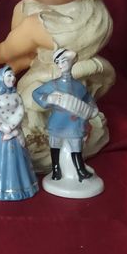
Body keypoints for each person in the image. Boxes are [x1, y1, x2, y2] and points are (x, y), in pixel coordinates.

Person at [32, 49, 98, 182]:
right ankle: (56, 169)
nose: (61, 65)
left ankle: (80, 170)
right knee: (55, 144)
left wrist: (93, 109)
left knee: (76, 145)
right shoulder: (53, 84)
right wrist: (48, 98)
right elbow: (36, 93)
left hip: (74, 122)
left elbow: (88, 99)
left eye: (63, 61)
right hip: (58, 120)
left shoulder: (79, 86)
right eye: (58, 62)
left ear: (71, 62)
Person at [0, 65, 38, 200]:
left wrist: (12, 125)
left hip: (14, 129)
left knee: (17, 156)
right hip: (0, 131)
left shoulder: (16, 95)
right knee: (1, 155)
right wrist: (4, 127)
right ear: (1, 78)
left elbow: (20, 110)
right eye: (9, 75)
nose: (13, 78)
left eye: (13, 75)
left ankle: (19, 185)